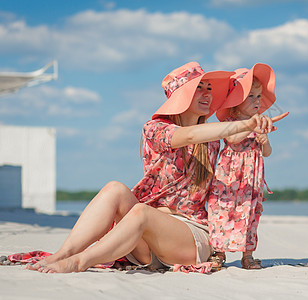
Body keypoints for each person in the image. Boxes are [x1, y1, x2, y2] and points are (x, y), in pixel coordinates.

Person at [27, 62, 288, 273]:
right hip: (147, 235)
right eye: (200, 88)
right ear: (182, 96)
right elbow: (187, 136)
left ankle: (79, 262)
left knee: (141, 212)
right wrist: (246, 124)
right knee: (115, 189)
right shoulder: (155, 129)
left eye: (209, 88)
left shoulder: (212, 138)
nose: (208, 94)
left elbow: (224, 145)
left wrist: (248, 124)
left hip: (190, 235)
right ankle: (63, 254)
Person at [208, 63, 277, 269]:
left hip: (251, 178)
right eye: (251, 97)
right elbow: (233, 138)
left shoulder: (260, 122)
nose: (257, 101)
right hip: (230, 175)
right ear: (236, 102)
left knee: (250, 212)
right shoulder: (231, 121)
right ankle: (219, 252)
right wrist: (250, 127)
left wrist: (265, 142)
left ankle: (247, 255)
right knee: (223, 209)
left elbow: (267, 153)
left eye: (258, 97)